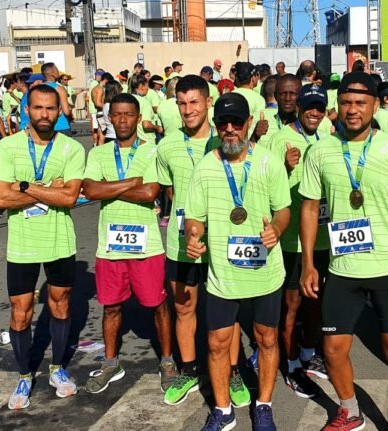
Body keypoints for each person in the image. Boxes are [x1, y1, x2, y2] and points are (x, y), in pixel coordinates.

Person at [299, 72, 388, 431]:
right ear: (336, 106)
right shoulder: (320, 151)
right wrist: (309, 263)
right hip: (343, 269)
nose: (352, 110)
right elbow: (310, 208)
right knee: (332, 350)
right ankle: (351, 411)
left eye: (360, 103)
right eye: (345, 103)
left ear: (375, 105)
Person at [185, 92, 290, 431]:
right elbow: (195, 217)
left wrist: (275, 228)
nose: (229, 129)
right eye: (222, 123)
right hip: (222, 275)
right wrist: (192, 236)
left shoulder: (269, 162)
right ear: (216, 126)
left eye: (236, 122)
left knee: (267, 339)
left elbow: (283, 209)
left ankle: (264, 405)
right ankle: (222, 410)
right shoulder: (205, 167)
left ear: (249, 124)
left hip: (266, 272)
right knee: (216, 342)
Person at [0, 84, 86, 409]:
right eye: (38, 108)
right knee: (21, 313)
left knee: (60, 306)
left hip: (60, 243)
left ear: (59, 112)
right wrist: (47, 188)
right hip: (22, 245)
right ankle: (24, 374)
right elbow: (0, 198)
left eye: (50, 108)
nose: (44, 114)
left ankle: (58, 367)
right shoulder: (7, 146)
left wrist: (25, 186)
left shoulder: (72, 148)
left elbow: (70, 197)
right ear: (26, 111)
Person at [81, 93, 176, 393]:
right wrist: (131, 182)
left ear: (138, 118)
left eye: (128, 115)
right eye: (117, 114)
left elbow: (150, 194)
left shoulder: (153, 151)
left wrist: (110, 188)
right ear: (109, 117)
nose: (123, 120)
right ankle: (111, 363)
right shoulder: (98, 153)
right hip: (109, 247)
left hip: (146, 247)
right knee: (110, 307)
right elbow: (91, 190)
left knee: (158, 305)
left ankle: (167, 360)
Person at [156, 75, 226, 405]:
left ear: (208, 102)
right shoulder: (168, 145)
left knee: (225, 312)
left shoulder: (226, 140)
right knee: (184, 309)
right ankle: (189, 369)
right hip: (181, 245)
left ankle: (233, 370)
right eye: (182, 103)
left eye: (194, 102)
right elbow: (170, 191)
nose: (188, 109)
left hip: (222, 242)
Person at [267, 84, 331, 398]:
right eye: (310, 108)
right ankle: (291, 364)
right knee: (291, 304)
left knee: (315, 300)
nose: (315, 113)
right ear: (299, 108)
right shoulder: (280, 139)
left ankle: (307, 352)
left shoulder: (329, 134)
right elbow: (263, 184)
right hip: (292, 240)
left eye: (320, 108)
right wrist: (284, 165)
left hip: (322, 238)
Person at [41, 63, 73, 135]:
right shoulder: (60, 89)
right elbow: (66, 111)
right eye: (57, 70)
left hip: (44, 126)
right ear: (52, 73)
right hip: (61, 125)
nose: (58, 72)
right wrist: (70, 116)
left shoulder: (38, 89)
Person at [130, 74, 164, 142]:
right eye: (147, 86)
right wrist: (158, 128)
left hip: (131, 139)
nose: (148, 89)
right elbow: (146, 125)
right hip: (146, 140)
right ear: (141, 86)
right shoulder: (144, 102)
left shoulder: (127, 99)